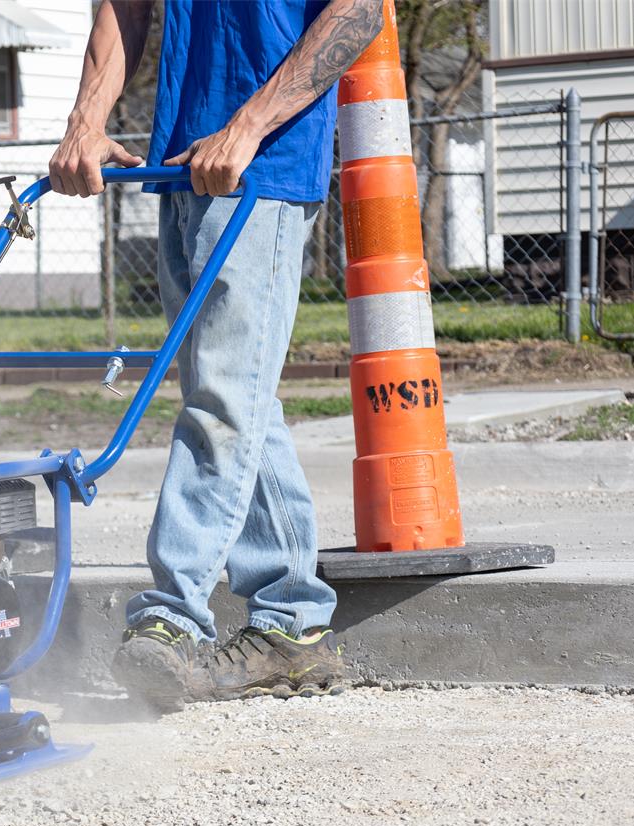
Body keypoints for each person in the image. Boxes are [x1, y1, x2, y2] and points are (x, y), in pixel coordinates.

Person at [49, 0, 385, 710]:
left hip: (260, 165)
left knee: (223, 401)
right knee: (238, 394)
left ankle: (170, 616)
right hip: (182, 162)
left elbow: (359, 14)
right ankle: (291, 624)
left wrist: (248, 125)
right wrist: (86, 119)